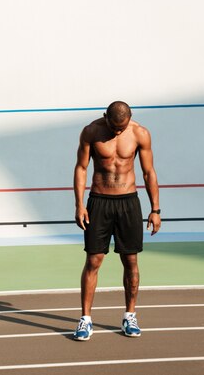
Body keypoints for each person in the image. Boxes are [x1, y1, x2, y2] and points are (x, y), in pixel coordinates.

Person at [73, 101, 161, 341]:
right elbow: (81, 168)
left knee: (130, 260)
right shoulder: (91, 132)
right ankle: (85, 319)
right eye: (114, 127)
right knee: (93, 260)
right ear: (106, 117)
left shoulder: (140, 133)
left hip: (128, 203)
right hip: (99, 202)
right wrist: (79, 204)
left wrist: (155, 209)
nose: (118, 132)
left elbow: (148, 172)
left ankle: (129, 315)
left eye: (122, 128)